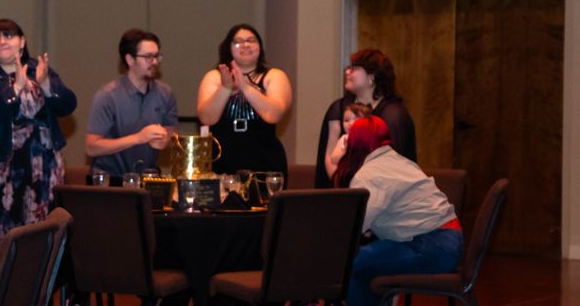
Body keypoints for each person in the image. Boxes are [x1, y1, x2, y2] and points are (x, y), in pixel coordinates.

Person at [0, 18, 76, 306]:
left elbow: (68, 105)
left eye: (8, 35)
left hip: (38, 178)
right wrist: (14, 90)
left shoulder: (41, 70)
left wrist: (46, 84)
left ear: (22, 41)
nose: (2, 41)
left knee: (35, 249)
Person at [333, 116, 463, 306]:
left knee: (354, 265)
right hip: (447, 240)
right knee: (367, 261)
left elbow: (352, 229)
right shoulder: (399, 162)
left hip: (431, 245)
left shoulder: (369, 175)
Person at [197, 23, 292, 176]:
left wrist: (246, 87)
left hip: (265, 162)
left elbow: (274, 114)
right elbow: (206, 118)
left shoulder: (274, 76)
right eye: (238, 41)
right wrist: (225, 88)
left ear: (259, 47)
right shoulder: (214, 77)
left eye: (251, 40)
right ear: (228, 47)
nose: (245, 45)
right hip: (223, 162)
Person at [315, 48, 417, 188]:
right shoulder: (339, 108)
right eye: (349, 67)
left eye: (355, 68)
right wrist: (344, 186)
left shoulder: (393, 115)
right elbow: (329, 157)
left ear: (371, 78)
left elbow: (397, 164)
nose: (347, 72)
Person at [85, 28, 177, 178]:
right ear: (129, 59)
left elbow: (172, 133)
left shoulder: (165, 93)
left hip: (149, 178)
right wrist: (138, 138)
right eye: (148, 56)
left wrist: (164, 140)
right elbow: (92, 147)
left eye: (157, 56)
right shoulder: (107, 96)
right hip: (111, 181)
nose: (154, 62)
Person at [321, 101, 373, 184]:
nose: (351, 123)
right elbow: (334, 159)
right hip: (348, 176)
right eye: (346, 120)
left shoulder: (371, 139)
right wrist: (344, 151)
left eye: (356, 119)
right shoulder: (344, 139)